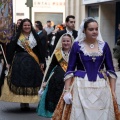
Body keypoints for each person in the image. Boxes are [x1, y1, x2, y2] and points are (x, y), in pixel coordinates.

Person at [52, 17, 118, 120]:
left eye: (96, 29)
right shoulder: (77, 46)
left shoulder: (104, 46)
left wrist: (113, 92)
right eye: (91, 29)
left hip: (101, 86)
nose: (94, 31)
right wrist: (66, 90)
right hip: (80, 85)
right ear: (84, 31)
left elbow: (111, 70)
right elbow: (70, 69)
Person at [0, 18, 45, 110]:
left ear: (31, 26)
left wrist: (42, 61)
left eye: (28, 25)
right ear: (21, 26)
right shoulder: (17, 36)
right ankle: (22, 102)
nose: (27, 27)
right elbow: (11, 50)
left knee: (32, 82)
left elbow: (40, 50)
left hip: (33, 63)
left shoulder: (35, 36)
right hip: (19, 62)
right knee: (20, 82)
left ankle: (28, 101)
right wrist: (8, 62)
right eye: (25, 25)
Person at [37, 33, 74, 118]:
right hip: (56, 79)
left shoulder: (75, 53)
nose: (66, 43)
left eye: (68, 41)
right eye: (64, 41)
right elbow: (51, 66)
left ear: (71, 42)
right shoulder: (57, 53)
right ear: (61, 42)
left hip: (71, 80)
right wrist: (45, 80)